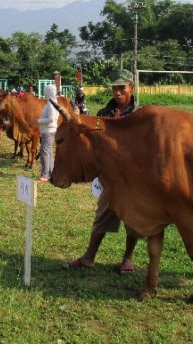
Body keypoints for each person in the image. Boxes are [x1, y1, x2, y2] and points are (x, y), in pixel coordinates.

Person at [66, 69, 140, 274]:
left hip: (134, 178)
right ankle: (89, 257)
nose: (117, 93)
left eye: (121, 88)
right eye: (114, 89)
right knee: (102, 215)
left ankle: (127, 259)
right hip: (110, 177)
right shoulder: (104, 114)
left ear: (131, 88)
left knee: (133, 221)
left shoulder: (140, 114)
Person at [36, 83, 59, 182]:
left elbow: (51, 119)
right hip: (48, 130)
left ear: (49, 93)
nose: (44, 94)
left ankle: (45, 175)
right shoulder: (52, 103)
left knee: (44, 153)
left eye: (45, 92)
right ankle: (51, 173)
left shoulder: (51, 104)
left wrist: (38, 121)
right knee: (48, 152)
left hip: (48, 131)